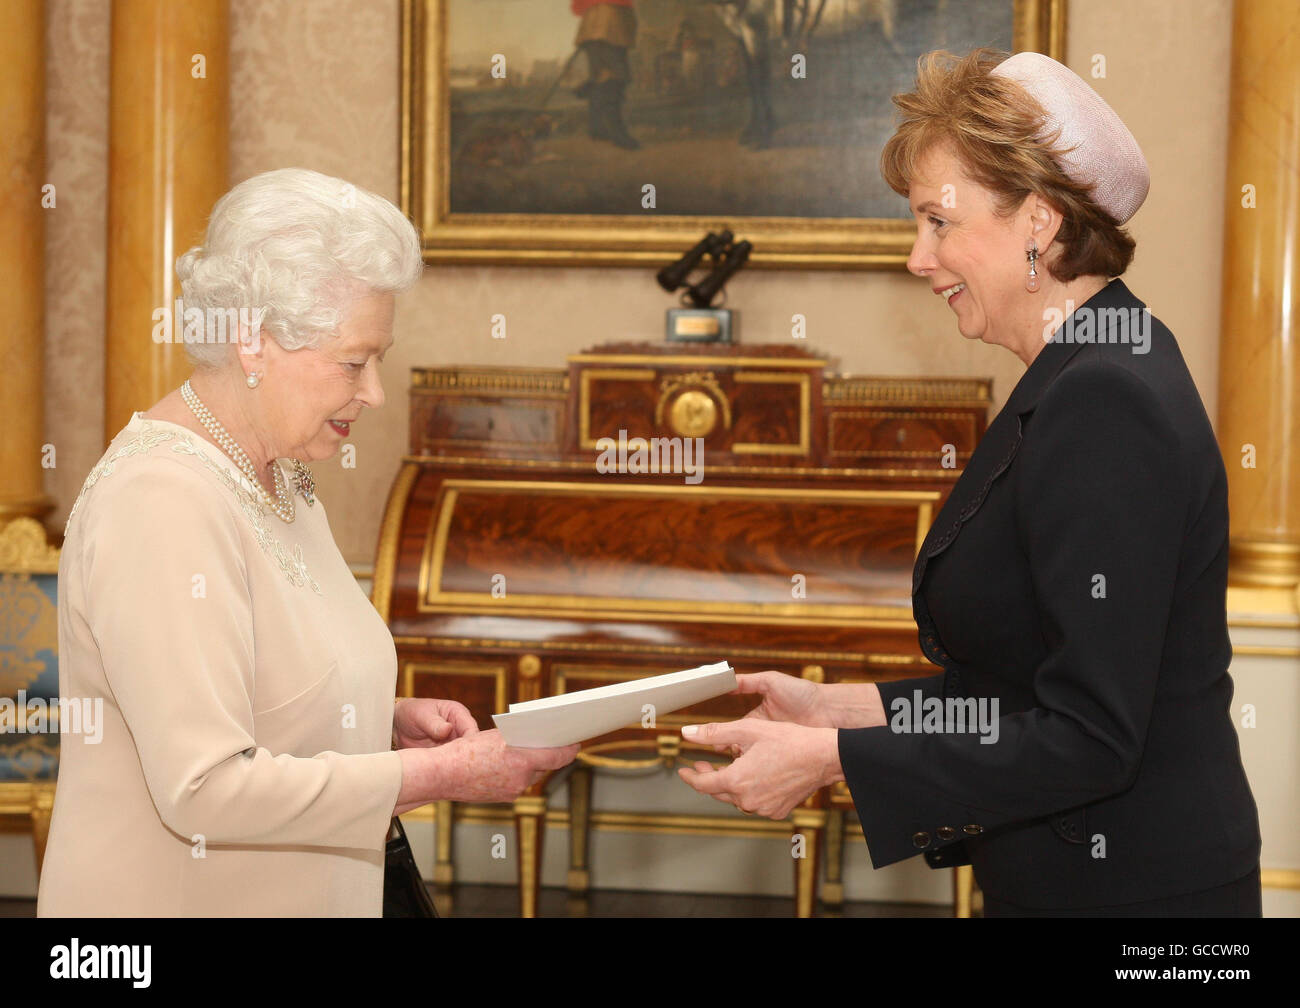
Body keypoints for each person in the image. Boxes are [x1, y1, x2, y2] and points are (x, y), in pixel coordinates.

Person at [678, 49, 1262, 916]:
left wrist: (835, 760)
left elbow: (1091, 738)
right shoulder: (1092, 364)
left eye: (937, 223)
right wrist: (846, 710)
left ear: (1037, 221)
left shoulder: (1103, 395)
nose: (918, 258)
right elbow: (1022, 690)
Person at [37, 168, 578, 917]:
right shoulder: (160, 500)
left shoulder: (279, 474)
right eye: (353, 363)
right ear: (252, 339)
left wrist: (374, 717)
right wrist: (441, 776)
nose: (375, 393)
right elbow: (205, 788)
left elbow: (255, 686)